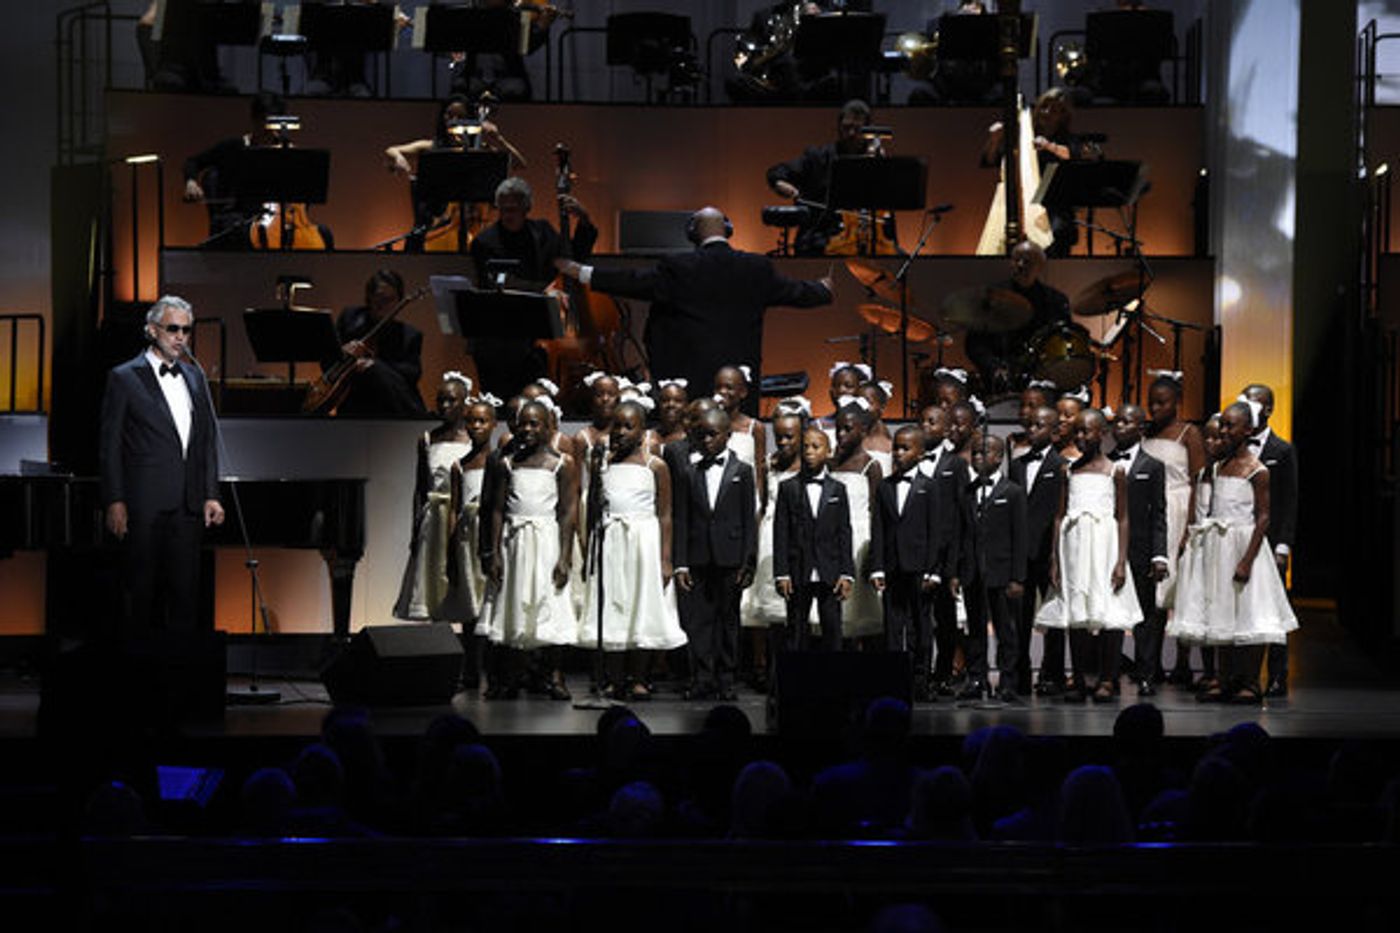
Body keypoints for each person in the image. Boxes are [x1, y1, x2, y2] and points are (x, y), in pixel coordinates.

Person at [557, 207, 834, 412]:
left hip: (687, 391)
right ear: (728, 230)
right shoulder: (757, 267)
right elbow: (798, 292)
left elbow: (632, 281)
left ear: (692, 233)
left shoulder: (679, 267)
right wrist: (823, 289)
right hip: (738, 391)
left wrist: (581, 272)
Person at [100, 296, 225, 633]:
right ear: (152, 330)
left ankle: (179, 676)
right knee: (139, 592)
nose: (181, 337)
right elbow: (109, 445)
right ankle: (137, 676)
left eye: (186, 330)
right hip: (144, 505)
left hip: (188, 505)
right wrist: (115, 500)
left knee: (185, 595)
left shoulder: (195, 377)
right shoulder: (124, 377)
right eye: (173, 329)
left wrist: (211, 494)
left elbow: (206, 441)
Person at [1168, 401, 1297, 703]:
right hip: (1218, 546)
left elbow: (1264, 516)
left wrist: (1248, 558)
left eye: (1230, 426)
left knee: (1250, 612)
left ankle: (1250, 680)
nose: (1223, 431)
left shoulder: (1257, 470)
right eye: (1222, 425)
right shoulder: (1216, 467)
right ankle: (1225, 677)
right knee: (1221, 611)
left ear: (1248, 430)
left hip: (1244, 544)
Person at [579, 399, 687, 701]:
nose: (621, 432)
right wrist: (589, 544)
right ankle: (614, 678)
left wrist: (666, 558)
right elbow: (593, 506)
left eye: (629, 426)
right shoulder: (600, 463)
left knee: (641, 605)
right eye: (617, 426)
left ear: (642, 432)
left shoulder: (656, 466)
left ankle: (640, 677)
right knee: (614, 607)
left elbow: (665, 515)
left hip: (643, 542)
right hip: (611, 540)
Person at [1035, 409, 1143, 702]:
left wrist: (1121, 561)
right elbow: (1059, 517)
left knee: (1109, 611)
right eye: (1078, 431)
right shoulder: (1068, 470)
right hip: (1074, 549)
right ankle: (1080, 677)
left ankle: (1107, 678)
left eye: (1088, 431)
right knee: (1076, 614)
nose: (1081, 437)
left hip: (1104, 548)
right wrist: (1055, 558)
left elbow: (1123, 518)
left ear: (1103, 433)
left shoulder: (1115, 470)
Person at [478, 399, 578, 700]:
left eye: (535, 423)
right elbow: (495, 509)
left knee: (551, 604)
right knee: (513, 604)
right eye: (523, 422)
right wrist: (492, 552)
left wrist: (564, 556)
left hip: (546, 540)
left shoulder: (562, 463)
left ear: (549, 427)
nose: (527, 429)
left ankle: (555, 675)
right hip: (515, 541)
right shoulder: (506, 462)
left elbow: (568, 512)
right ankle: (510, 676)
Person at [471, 176, 597, 399]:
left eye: (514, 209)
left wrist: (584, 221)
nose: (508, 215)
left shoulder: (542, 232)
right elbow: (498, 282)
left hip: (535, 338)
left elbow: (572, 259)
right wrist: (543, 291)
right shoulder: (484, 242)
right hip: (497, 339)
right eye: (503, 209)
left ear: (527, 207)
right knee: (499, 402)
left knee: (536, 401)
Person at [673, 408, 758, 699]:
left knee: (728, 620)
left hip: (730, 558)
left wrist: (749, 561)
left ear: (728, 436)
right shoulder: (689, 472)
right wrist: (680, 563)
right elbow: (682, 519)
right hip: (698, 557)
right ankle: (702, 678)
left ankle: (726, 678)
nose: (707, 440)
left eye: (713, 434)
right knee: (699, 621)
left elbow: (750, 519)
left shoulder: (743, 472)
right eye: (702, 435)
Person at [384, 94, 529, 253]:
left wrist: (498, 138)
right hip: (438, 231)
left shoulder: (481, 150)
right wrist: (398, 158)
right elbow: (392, 150)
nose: (453, 120)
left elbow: (519, 163)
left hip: (475, 232)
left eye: (460, 116)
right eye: (449, 115)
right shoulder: (432, 146)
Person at [393, 372, 477, 622]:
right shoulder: (428, 439)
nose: (444, 406)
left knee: (464, 581)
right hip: (434, 518)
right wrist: (415, 529)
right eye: (441, 400)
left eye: (452, 400)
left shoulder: (472, 438)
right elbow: (420, 489)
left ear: (465, 403)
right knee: (434, 581)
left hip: (461, 519)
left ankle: (471, 652)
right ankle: (441, 646)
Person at [979, 87, 1102, 257]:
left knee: (1057, 231)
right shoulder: (1023, 137)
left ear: (1063, 116)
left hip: (1056, 208)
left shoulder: (1068, 139)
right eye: (1044, 107)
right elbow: (990, 161)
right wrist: (994, 140)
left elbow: (1072, 153)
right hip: (1024, 204)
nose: (1046, 112)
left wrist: (1048, 146)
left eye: (1054, 110)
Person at [1142, 371, 1207, 686]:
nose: (1155, 409)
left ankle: (1183, 662)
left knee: (1180, 589)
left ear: (1177, 403)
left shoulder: (1189, 434)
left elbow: (1197, 482)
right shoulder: (1146, 433)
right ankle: (1151, 663)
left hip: (1179, 510)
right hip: (1152, 513)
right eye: (1152, 403)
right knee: (1154, 592)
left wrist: (1190, 526)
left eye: (1162, 402)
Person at [869, 425, 944, 696]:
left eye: (905, 448)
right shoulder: (885, 487)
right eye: (895, 448)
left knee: (921, 625)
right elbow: (878, 528)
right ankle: (892, 679)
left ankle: (920, 679)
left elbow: (935, 531)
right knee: (893, 624)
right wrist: (877, 566)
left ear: (921, 453)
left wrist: (934, 570)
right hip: (892, 566)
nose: (898, 453)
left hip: (920, 566)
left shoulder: (930, 487)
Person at [766, 99, 891, 256]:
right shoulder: (818, 157)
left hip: (865, 238)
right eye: (847, 128)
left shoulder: (874, 159)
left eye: (857, 129)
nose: (851, 133)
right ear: (839, 127)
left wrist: (882, 168)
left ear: (867, 131)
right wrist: (781, 183)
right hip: (821, 236)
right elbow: (778, 171)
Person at [742, 398, 809, 687]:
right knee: (767, 604)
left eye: (789, 437)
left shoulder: (812, 465)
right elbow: (761, 504)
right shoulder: (768, 464)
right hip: (770, 536)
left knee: (797, 606)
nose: (782, 442)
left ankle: (794, 666)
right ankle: (762, 666)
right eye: (778, 436)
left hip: (801, 537)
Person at [1106, 404, 1169, 701]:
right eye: (1116, 421)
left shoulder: (1153, 466)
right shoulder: (1105, 463)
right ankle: (1112, 674)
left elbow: (1159, 512)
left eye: (1126, 421)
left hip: (1142, 548)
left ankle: (1146, 675)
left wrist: (1160, 554)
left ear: (1141, 428)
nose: (1119, 426)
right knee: (1114, 614)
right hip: (1111, 548)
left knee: (1145, 616)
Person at [959, 435, 1028, 702]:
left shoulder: (1012, 492)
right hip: (973, 572)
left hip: (1002, 573)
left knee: (1006, 630)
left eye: (983, 453)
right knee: (975, 630)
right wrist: (958, 571)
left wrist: (1017, 577)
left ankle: (1008, 681)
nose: (977, 458)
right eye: (974, 453)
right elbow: (961, 534)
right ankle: (976, 678)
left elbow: (1020, 538)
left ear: (999, 457)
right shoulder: (967, 491)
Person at [773, 426, 854, 652]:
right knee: (796, 629)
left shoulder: (838, 489)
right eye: (805, 446)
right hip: (798, 568)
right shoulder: (787, 488)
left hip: (830, 570)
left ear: (828, 451)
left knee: (832, 628)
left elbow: (844, 532)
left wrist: (846, 572)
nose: (809, 451)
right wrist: (781, 572)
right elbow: (781, 532)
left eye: (816, 447)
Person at [1241, 383, 1298, 698]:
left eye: (1256, 401)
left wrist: (1283, 545)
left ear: (1269, 409)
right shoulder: (1233, 445)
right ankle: (1239, 675)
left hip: (1271, 539)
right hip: (1241, 536)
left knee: (1273, 610)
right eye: (1245, 400)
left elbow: (1290, 500)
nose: (1250, 405)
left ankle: (1277, 676)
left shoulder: (1282, 450)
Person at [1008, 404, 1066, 696]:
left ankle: (1053, 674)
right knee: (1019, 617)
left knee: (1053, 616)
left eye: (1039, 426)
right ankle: (1019, 674)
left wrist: (1056, 553)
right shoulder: (1017, 465)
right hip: (1020, 553)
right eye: (1029, 425)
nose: (1032, 430)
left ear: (1055, 432)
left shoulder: (1061, 466)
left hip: (1049, 553)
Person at [964, 241, 1072, 395]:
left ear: (1040, 267)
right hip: (1000, 382)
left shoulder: (1055, 301)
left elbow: (1063, 343)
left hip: (1043, 380)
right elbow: (973, 344)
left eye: (1027, 261)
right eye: (1016, 260)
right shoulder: (992, 298)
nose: (1020, 265)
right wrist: (993, 367)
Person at [181, 92, 287, 249]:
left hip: (276, 219)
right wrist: (191, 182)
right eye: (264, 124)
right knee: (249, 233)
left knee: (323, 234)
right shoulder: (232, 147)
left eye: (274, 126)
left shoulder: (285, 150)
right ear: (254, 120)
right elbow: (193, 162)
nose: (270, 132)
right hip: (238, 218)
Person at [918, 404, 971, 699]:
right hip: (919, 551)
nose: (926, 426)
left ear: (946, 428)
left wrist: (956, 561)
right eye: (923, 421)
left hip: (947, 552)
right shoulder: (912, 462)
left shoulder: (955, 465)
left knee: (946, 619)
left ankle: (944, 672)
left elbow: (962, 513)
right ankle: (921, 674)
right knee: (919, 618)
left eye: (933, 422)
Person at [332, 268, 426, 416]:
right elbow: (328, 362)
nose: (383, 306)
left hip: (389, 405)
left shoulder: (410, 335)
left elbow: (413, 374)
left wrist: (376, 365)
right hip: (354, 403)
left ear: (399, 301)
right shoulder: (349, 320)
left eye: (389, 300)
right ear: (369, 298)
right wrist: (343, 352)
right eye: (379, 299)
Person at [829, 398, 884, 642]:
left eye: (847, 429)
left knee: (858, 614)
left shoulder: (870, 465)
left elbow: (876, 510)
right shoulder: (830, 464)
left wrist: (874, 555)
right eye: (838, 428)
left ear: (862, 430)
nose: (841, 434)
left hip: (860, 540)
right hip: (832, 538)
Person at [448, 0, 559, 102]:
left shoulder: (515, 15)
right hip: (473, 75)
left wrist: (541, 26)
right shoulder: (469, 14)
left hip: (507, 76)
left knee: (515, 88)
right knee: (463, 86)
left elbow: (527, 48)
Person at [653, 379, 689, 449]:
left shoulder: (691, 438)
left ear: (686, 406)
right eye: (665, 400)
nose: (671, 404)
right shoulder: (649, 436)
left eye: (678, 401)